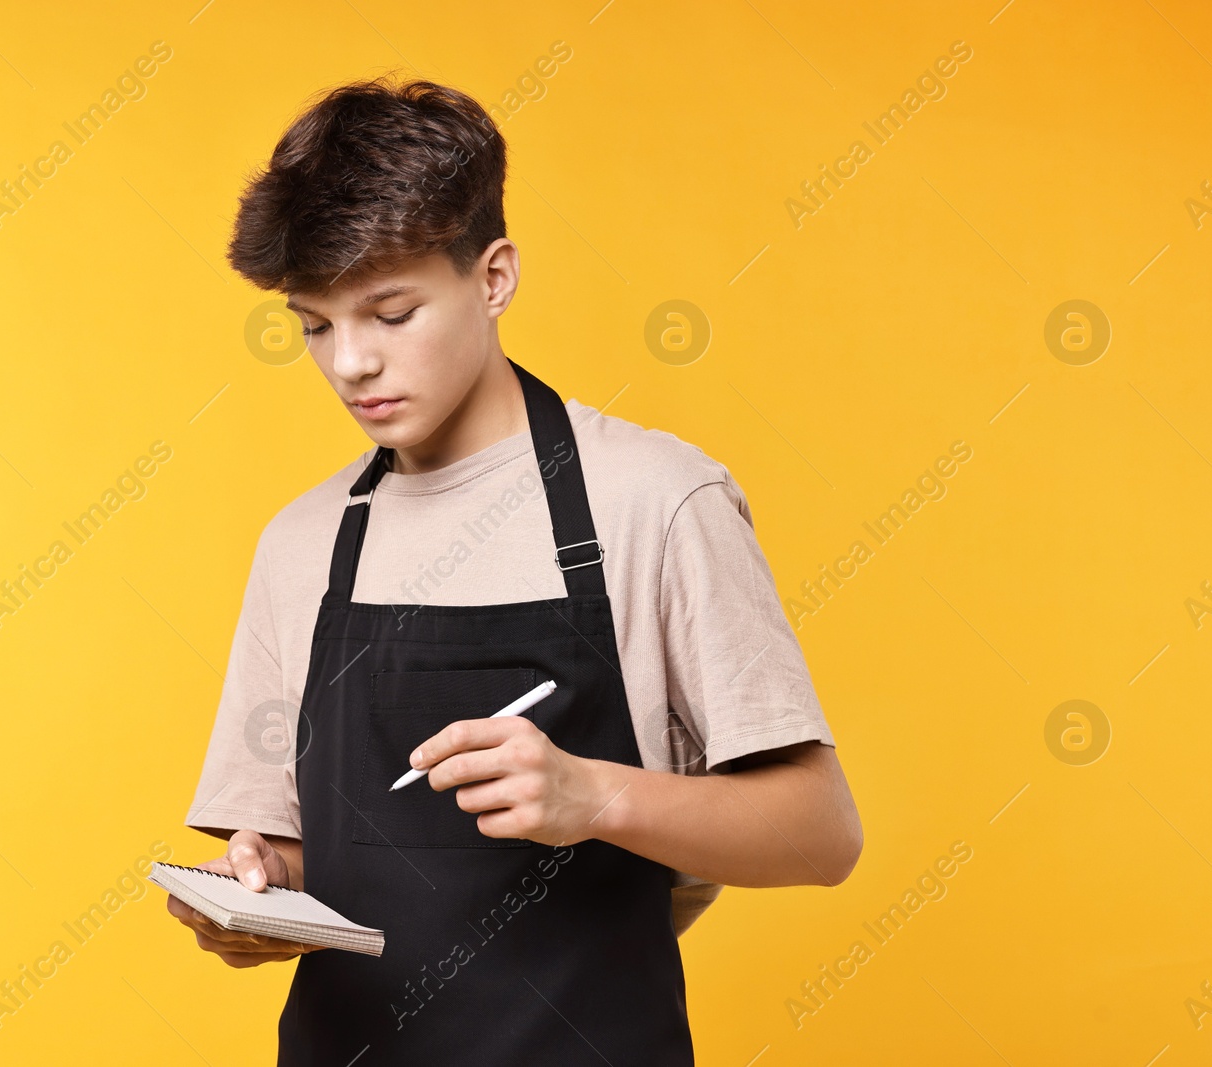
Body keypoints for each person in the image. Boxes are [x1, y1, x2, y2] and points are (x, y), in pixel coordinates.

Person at [167, 75, 863, 1065]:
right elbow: (312, 845)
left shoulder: (655, 501)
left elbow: (820, 833)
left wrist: (595, 796)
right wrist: (257, 885)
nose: (350, 363)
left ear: (493, 277)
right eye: (314, 325)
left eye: (390, 312)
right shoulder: (301, 542)